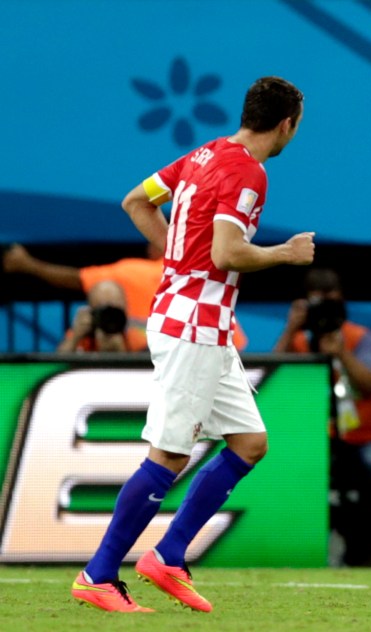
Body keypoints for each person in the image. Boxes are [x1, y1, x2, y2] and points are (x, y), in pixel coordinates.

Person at [71, 76, 312, 613]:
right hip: (193, 328)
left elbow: (136, 202)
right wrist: (285, 254)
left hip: (200, 322)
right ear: (286, 124)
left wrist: (178, 257)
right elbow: (228, 253)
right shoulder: (250, 171)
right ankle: (98, 574)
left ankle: (169, 555)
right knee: (170, 454)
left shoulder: (204, 155)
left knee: (249, 442)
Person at [273, 268, 371, 566]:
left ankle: (368, 546)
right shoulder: (299, 341)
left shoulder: (359, 338)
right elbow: (270, 378)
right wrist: (291, 329)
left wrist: (342, 354)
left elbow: (369, 385)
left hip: (368, 436)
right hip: (315, 440)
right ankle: (297, 546)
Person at [3, 241, 249, 350]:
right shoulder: (205, 284)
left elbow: (77, 279)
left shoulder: (131, 272)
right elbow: (236, 348)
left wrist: (28, 265)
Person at [56, 279, 146, 353]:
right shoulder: (83, 334)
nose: (109, 317)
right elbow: (57, 366)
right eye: (103, 311)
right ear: (91, 311)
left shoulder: (138, 334)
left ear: (126, 309)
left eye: (114, 311)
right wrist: (75, 338)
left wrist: (121, 351)